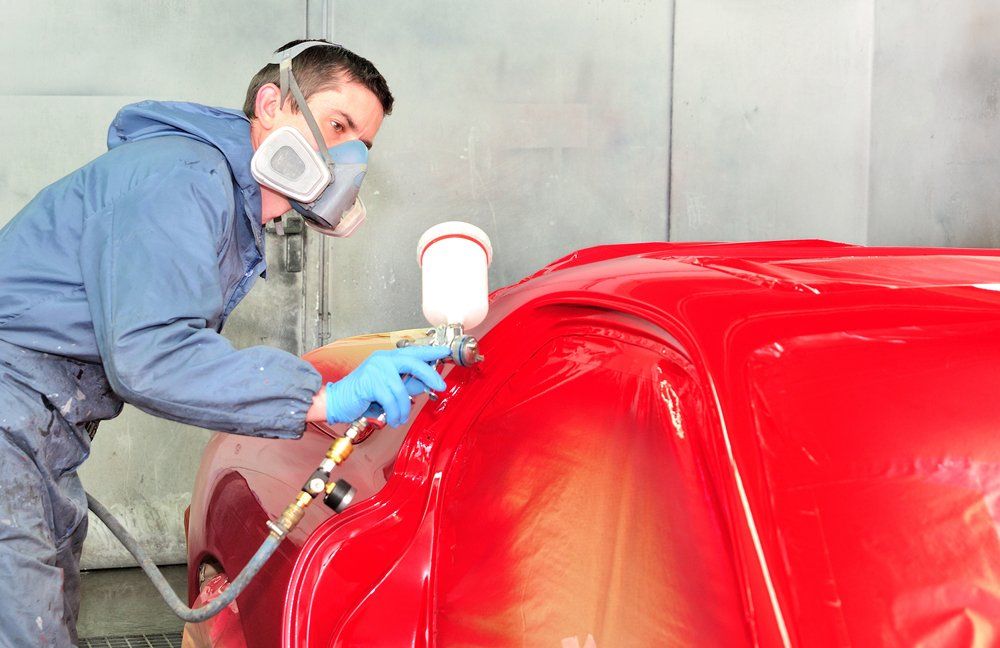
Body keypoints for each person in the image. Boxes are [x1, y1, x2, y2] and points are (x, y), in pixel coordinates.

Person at [0, 39, 449, 646]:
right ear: (271, 105)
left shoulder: (211, 190)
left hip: (40, 430)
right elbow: (152, 355)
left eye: (362, 147)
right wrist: (323, 398)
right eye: (338, 126)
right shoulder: (184, 178)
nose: (348, 160)